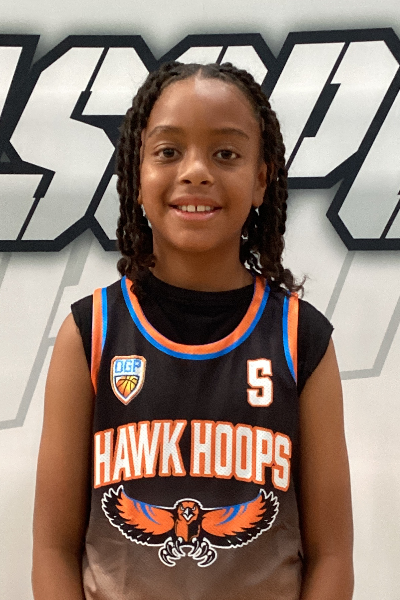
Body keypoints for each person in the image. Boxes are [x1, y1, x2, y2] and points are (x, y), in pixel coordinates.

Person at [32, 62, 353, 600]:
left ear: (261, 179)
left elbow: (332, 557)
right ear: (137, 177)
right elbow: (53, 550)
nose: (196, 171)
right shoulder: (90, 333)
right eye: (168, 151)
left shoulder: (302, 338)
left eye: (225, 153)